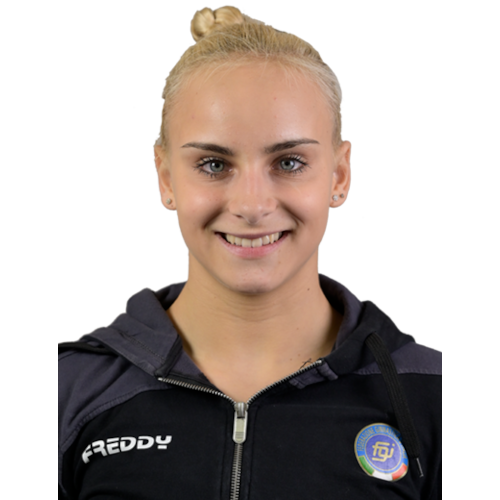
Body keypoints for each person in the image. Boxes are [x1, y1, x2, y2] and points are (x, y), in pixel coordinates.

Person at [58, 5, 442, 499]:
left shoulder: (429, 395)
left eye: (289, 162)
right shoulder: (71, 389)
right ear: (166, 177)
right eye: (214, 164)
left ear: (340, 175)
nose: (252, 206)